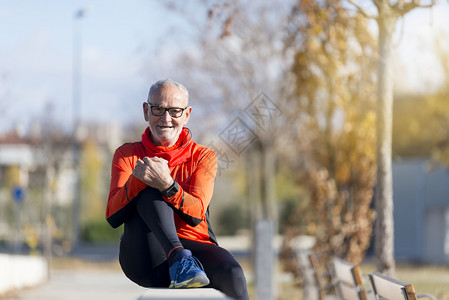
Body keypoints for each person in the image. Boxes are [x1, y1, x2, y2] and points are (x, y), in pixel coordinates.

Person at [106, 79, 249, 300]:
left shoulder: (203, 156)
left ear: (186, 114)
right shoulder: (127, 154)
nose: (166, 119)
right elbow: (113, 216)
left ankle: (184, 262)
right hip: (146, 254)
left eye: (174, 111)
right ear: (146, 111)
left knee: (233, 273)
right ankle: (179, 258)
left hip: (196, 249)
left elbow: (196, 215)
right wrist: (139, 180)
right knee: (148, 188)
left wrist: (168, 185)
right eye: (158, 109)